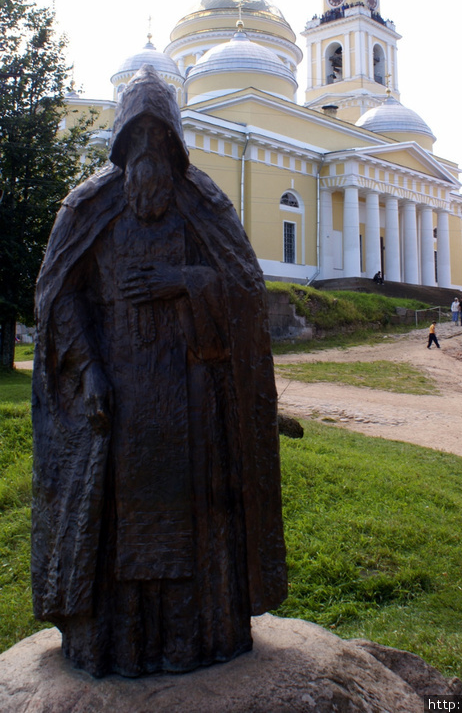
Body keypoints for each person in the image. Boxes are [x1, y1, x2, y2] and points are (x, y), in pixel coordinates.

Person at [31, 66, 287, 678]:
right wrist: (88, 369)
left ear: (174, 145)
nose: (147, 160)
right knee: (121, 527)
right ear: (121, 148)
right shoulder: (89, 207)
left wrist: (185, 283)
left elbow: (246, 291)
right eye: (135, 145)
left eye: (159, 144)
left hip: (192, 403)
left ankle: (193, 642)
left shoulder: (203, 205)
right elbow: (60, 294)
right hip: (117, 400)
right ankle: (116, 648)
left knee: (190, 525)